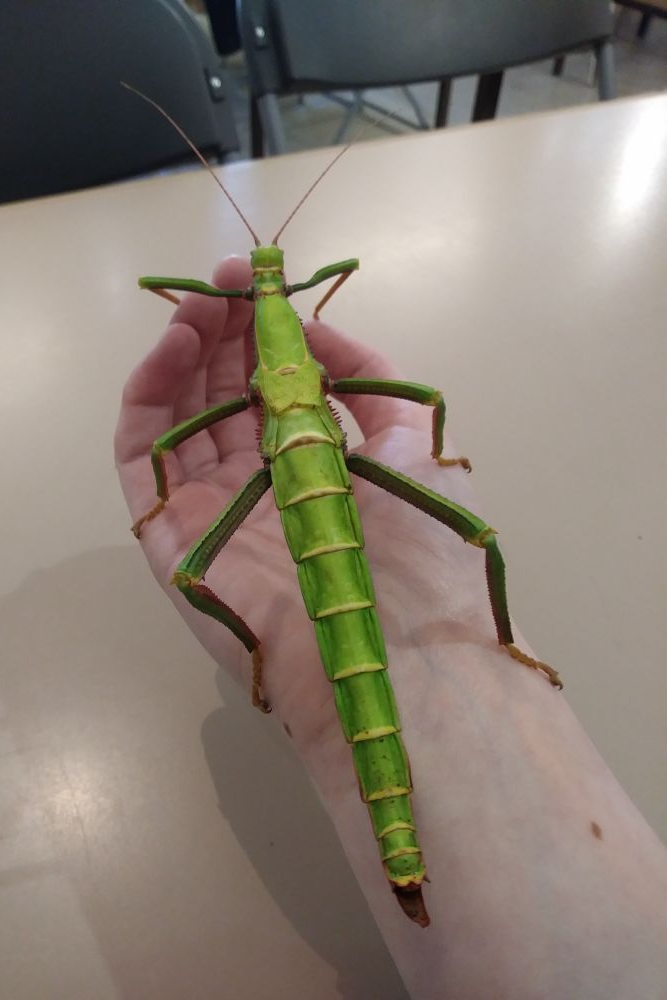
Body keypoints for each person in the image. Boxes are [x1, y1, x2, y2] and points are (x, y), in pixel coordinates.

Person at [115, 256, 667, 998]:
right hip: (319, 459)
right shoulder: (317, 338)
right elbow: (424, 392)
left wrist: (162, 497)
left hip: (283, 464)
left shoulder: (244, 348)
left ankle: (283, 666)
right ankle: (486, 658)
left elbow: (159, 444)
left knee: (194, 565)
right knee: (480, 535)